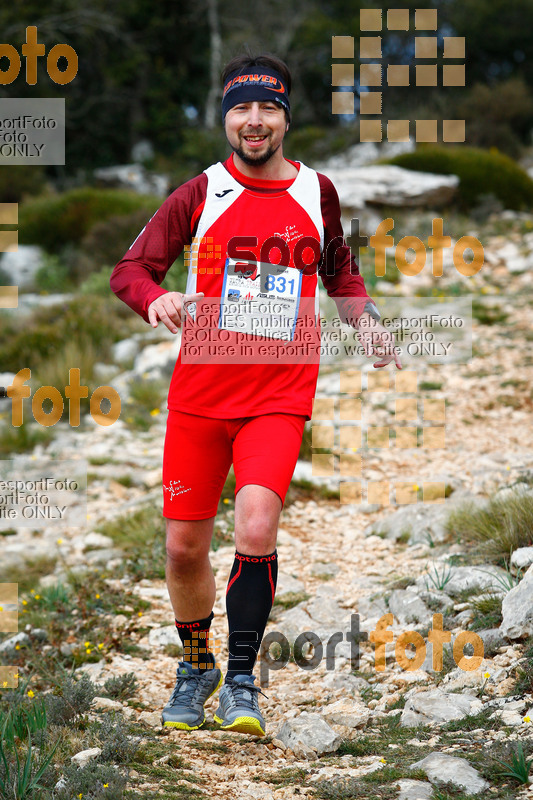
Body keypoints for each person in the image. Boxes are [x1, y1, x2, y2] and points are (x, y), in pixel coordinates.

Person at [110, 52, 401, 737]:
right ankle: (195, 664)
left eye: (267, 107)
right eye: (240, 107)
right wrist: (155, 301)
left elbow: (341, 274)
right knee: (183, 548)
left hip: (278, 391)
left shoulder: (316, 192)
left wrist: (367, 325)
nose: (253, 120)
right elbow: (130, 270)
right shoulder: (198, 193)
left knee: (255, 526)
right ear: (225, 117)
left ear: (285, 118)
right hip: (199, 397)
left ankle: (241, 679)